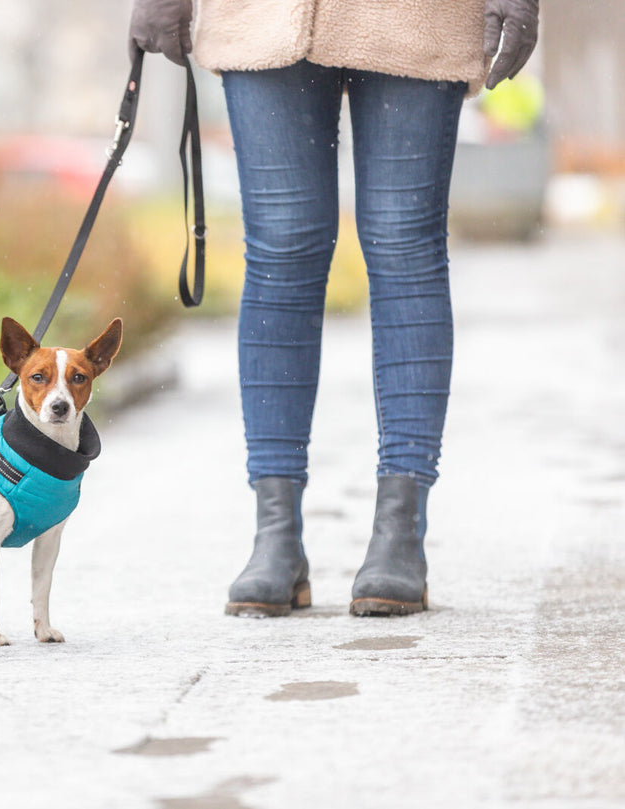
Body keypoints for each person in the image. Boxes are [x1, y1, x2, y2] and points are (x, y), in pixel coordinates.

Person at [128, 0, 540, 616]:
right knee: (280, 251)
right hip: (264, 16)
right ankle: (276, 534)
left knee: (405, 244)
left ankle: (401, 531)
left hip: (417, 14)